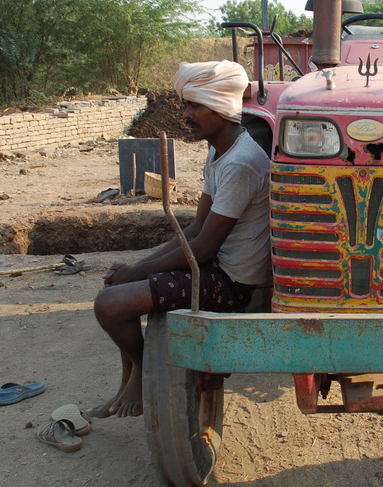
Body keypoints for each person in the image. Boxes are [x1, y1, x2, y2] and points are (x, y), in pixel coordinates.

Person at [88, 61, 272, 418]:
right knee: (115, 293)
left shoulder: (242, 163)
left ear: (221, 107)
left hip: (230, 282)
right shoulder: (219, 152)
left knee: (109, 306)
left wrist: (138, 270)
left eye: (195, 106)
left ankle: (143, 373)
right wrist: (138, 269)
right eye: (186, 105)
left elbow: (204, 247)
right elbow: (194, 231)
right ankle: (133, 378)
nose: (186, 115)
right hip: (214, 267)